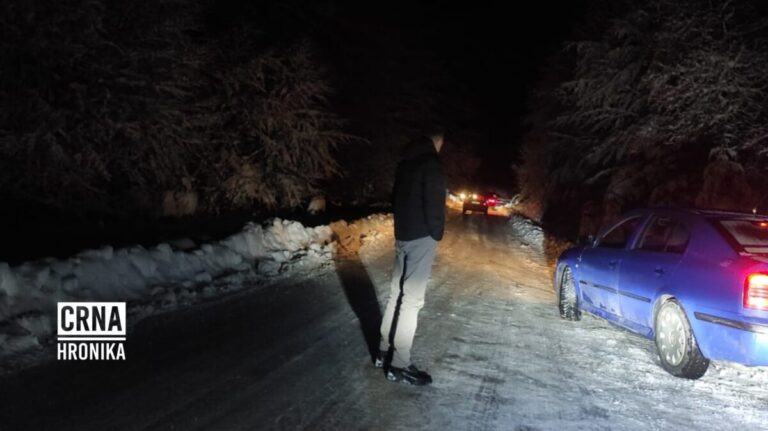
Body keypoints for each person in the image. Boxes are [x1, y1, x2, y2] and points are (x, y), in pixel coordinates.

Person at [375, 130, 446, 386]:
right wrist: (436, 233)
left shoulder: (406, 163)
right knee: (412, 300)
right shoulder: (432, 164)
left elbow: (396, 199)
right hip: (421, 238)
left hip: (403, 235)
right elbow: (435, 203)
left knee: (397, 294)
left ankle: (384, 350)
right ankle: (400, 364)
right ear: (438, 142)